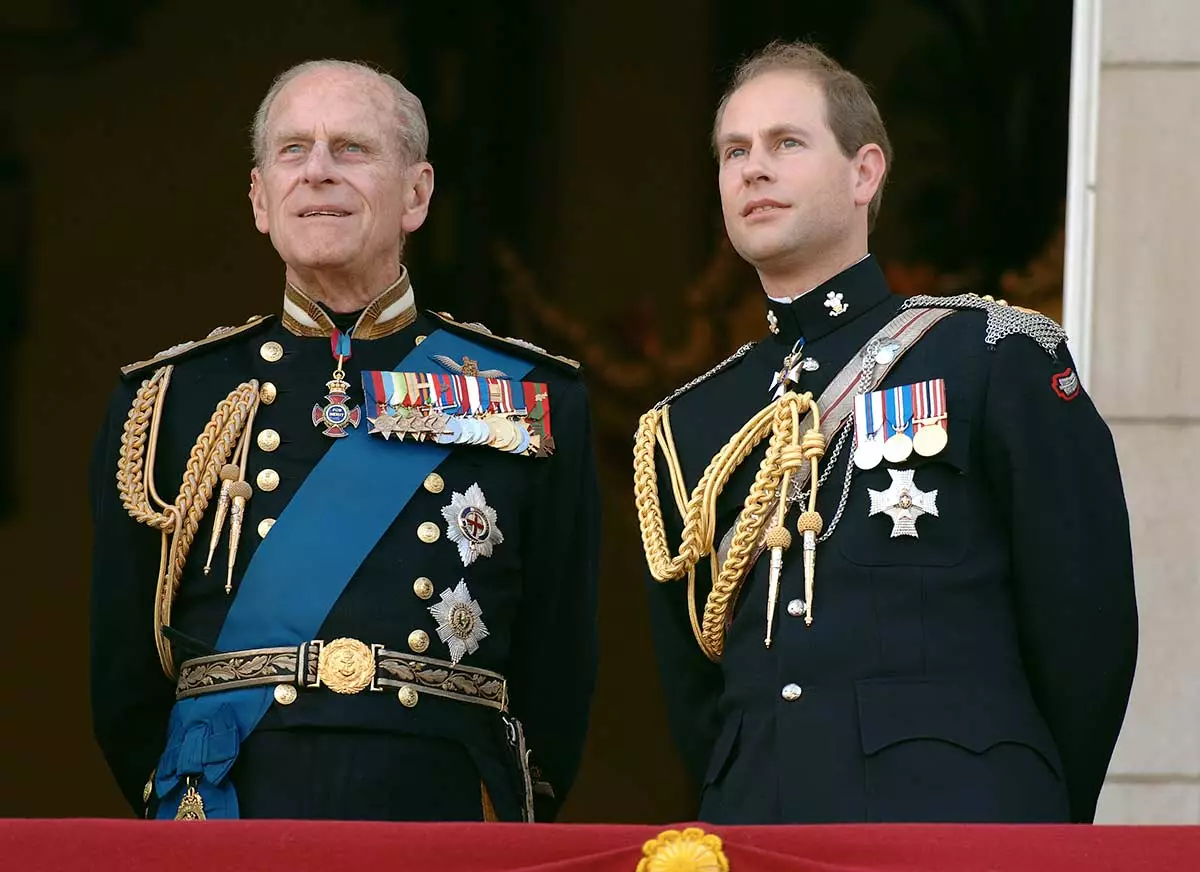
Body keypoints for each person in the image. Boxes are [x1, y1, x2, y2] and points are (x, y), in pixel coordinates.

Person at [635, 40, 1137, 824]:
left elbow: (1086, 627)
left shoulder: (990, 354)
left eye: (786, 143)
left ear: (865, 172)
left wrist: (1032, 824)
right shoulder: (688, 421)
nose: (753, 169)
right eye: (735, 150)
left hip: (957, 824)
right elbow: (697, 695)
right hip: (763, 827)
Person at [89, 59, 600, 823]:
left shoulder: (529, 395)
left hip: (440, 811)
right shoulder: (167, 401)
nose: (318, 171)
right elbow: (125, 683)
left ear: (418, 194)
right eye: (292, 151)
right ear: (261, 199)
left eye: (351, 149)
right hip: (232, 812)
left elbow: (558, 668)